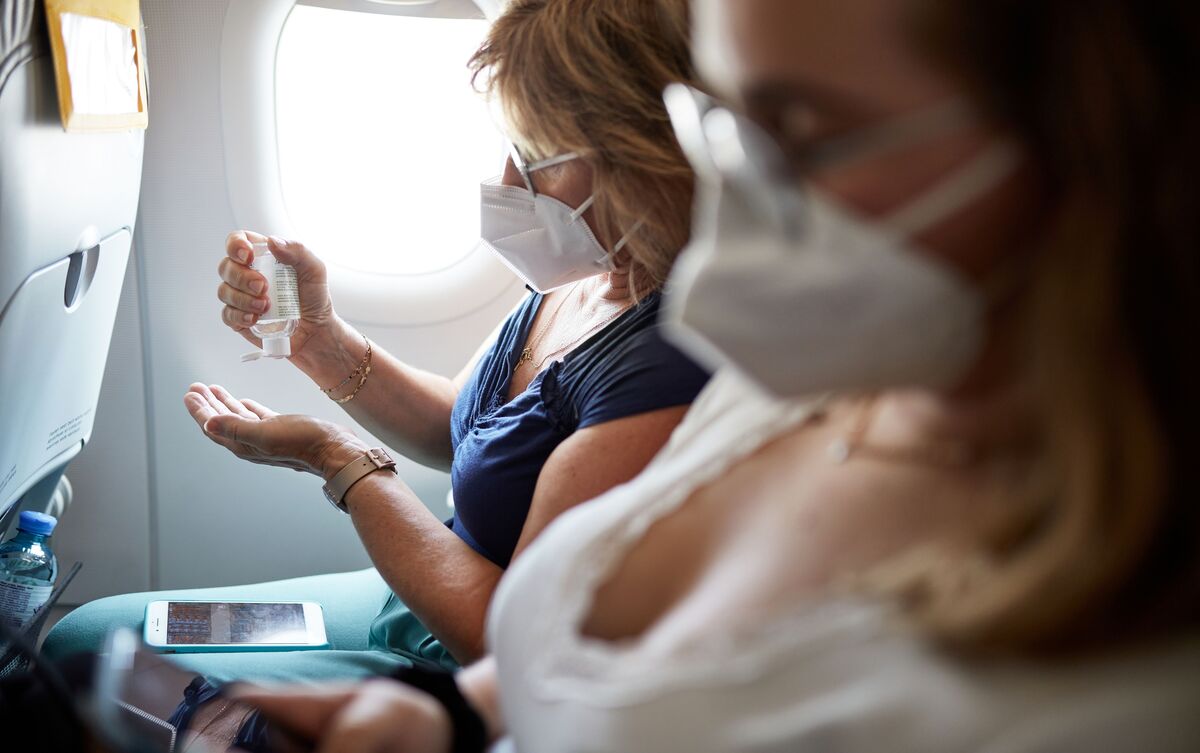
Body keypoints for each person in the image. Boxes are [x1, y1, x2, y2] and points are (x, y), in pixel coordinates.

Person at [231, 0, 1200, 750]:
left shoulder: (1129, 701)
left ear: (1097, 131)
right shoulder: (808, 378)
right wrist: (447, 721)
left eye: (800, 133)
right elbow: (576, 641)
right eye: (719, 127)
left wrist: (344, 464)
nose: (722, 207)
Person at [43, 0, 709, 683]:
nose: (508, 184)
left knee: (93, 673)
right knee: (86, 638)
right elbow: (462, 426)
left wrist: (339, 460)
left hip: (467, 654)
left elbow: (506, 640)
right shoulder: (586, 272)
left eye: (537, 159)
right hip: (414, 599)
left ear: (642, 158)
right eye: (511, 149)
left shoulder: (670, 362)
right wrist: (318, 339)